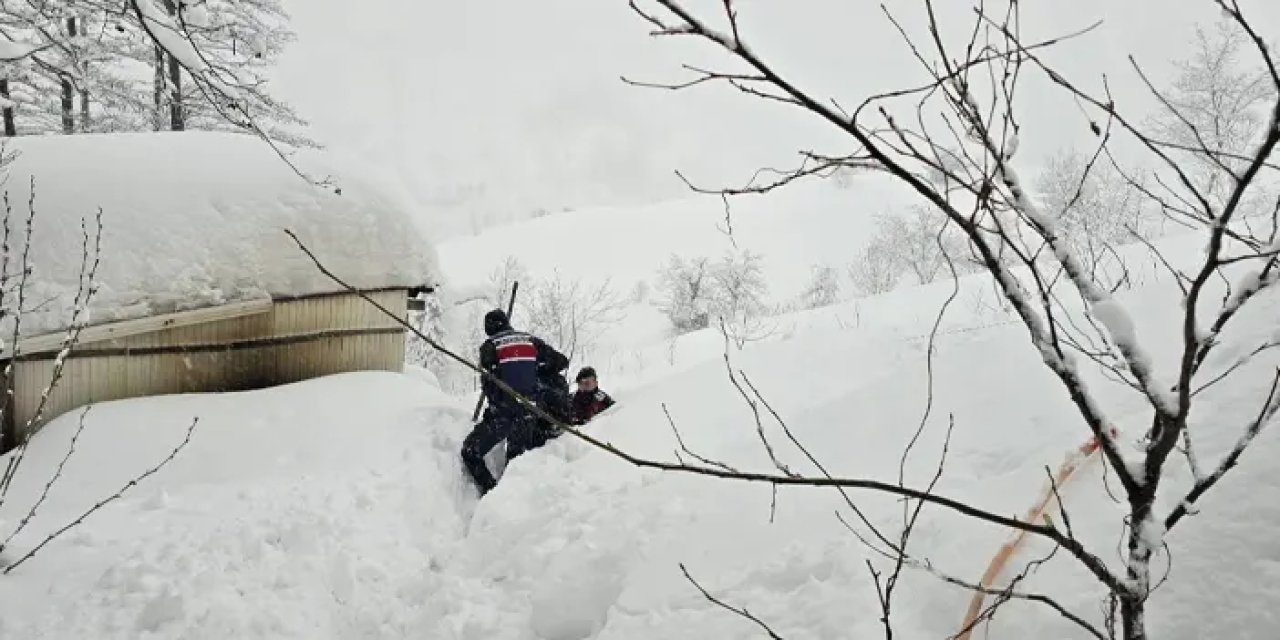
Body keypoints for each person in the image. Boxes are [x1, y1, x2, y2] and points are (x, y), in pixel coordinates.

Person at [461, 309, 569, 496]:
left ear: (488, 328)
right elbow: (561, 362)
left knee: (470, 452)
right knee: (515, 466)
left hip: (505, 415)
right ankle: (513, 505)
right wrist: (534, 374)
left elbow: (491, 386)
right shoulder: (529, 340)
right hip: (530, 411)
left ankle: (491, 493)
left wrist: (494, 412)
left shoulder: (489, 346)